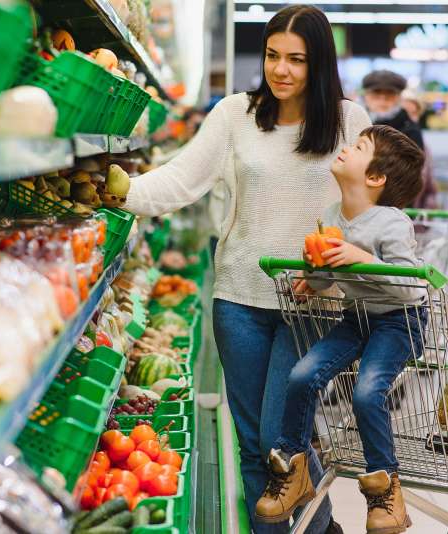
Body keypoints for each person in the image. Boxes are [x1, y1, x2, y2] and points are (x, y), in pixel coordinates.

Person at [124, 5, 371, 533]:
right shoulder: (235, 114)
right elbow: (180, 180)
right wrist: (118, 190)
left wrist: (334, 268)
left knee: (281, 441)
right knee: (253, 442)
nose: (281, 70)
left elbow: (365, 214)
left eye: (296, 60)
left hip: (310, 305)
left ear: (319, 63)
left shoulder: (350, 122)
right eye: (272, 56)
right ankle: (317, 529)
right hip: (238, 299)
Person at [254, 125, 426, 534]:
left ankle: (386, 491)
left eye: (359, 147)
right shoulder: (332, 216)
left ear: (375, 178)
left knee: (368, 392)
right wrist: (311, 278)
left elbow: (412, 285)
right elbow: (329, 272)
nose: (346, 149)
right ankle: (294, 473)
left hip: (400, 321)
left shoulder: (391, 223)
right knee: (301, 375)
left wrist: (360, 257)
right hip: (357, 317)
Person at [362, 70, 424, 151]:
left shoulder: (410, 129)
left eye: (389, 96)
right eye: (376, 95)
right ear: (366, 97)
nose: (382, 101)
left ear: (399, 98)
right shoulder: (355, 121)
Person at [401, 90, 437, 209]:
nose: (410, 118)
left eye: (414, 113)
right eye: (405, 113)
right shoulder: (378, 144)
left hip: (414, 218)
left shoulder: (424, 148)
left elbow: (430, 188)